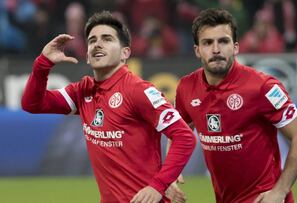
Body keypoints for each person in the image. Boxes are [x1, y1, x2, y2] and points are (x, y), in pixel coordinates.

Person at [21, 11, 196, 203]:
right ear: (87, 55)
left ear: (125, 53)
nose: (97, 44)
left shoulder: (139, 91)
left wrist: (158, 185)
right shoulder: (82, 91)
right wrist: (42, 64)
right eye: (92, 40)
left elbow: (184, 137)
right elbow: (32, 104)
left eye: (107, 39)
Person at [168, 8, 297, 203]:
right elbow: (179, 131)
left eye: (223, 41)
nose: (216, 49)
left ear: (236, 47)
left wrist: (280, 191)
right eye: (207, 42)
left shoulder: (263, 86)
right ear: (197, 50)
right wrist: (170, 174)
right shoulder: (186, 87)